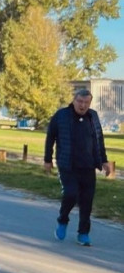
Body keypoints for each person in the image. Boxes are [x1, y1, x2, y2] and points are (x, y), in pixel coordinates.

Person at [44, 88, 111, 246]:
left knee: (87, 201)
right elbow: (50, 137)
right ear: (74, 101)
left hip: (88, 166)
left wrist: (104, 161)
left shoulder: (93, 116)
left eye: (86, 102)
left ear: (90, 103)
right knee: (71, 194)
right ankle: (63, 220)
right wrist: (47, 159)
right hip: (68, 165)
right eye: (80, 101)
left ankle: (83, 233)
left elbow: (99, 139)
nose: (83, 105)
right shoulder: (61, 115)